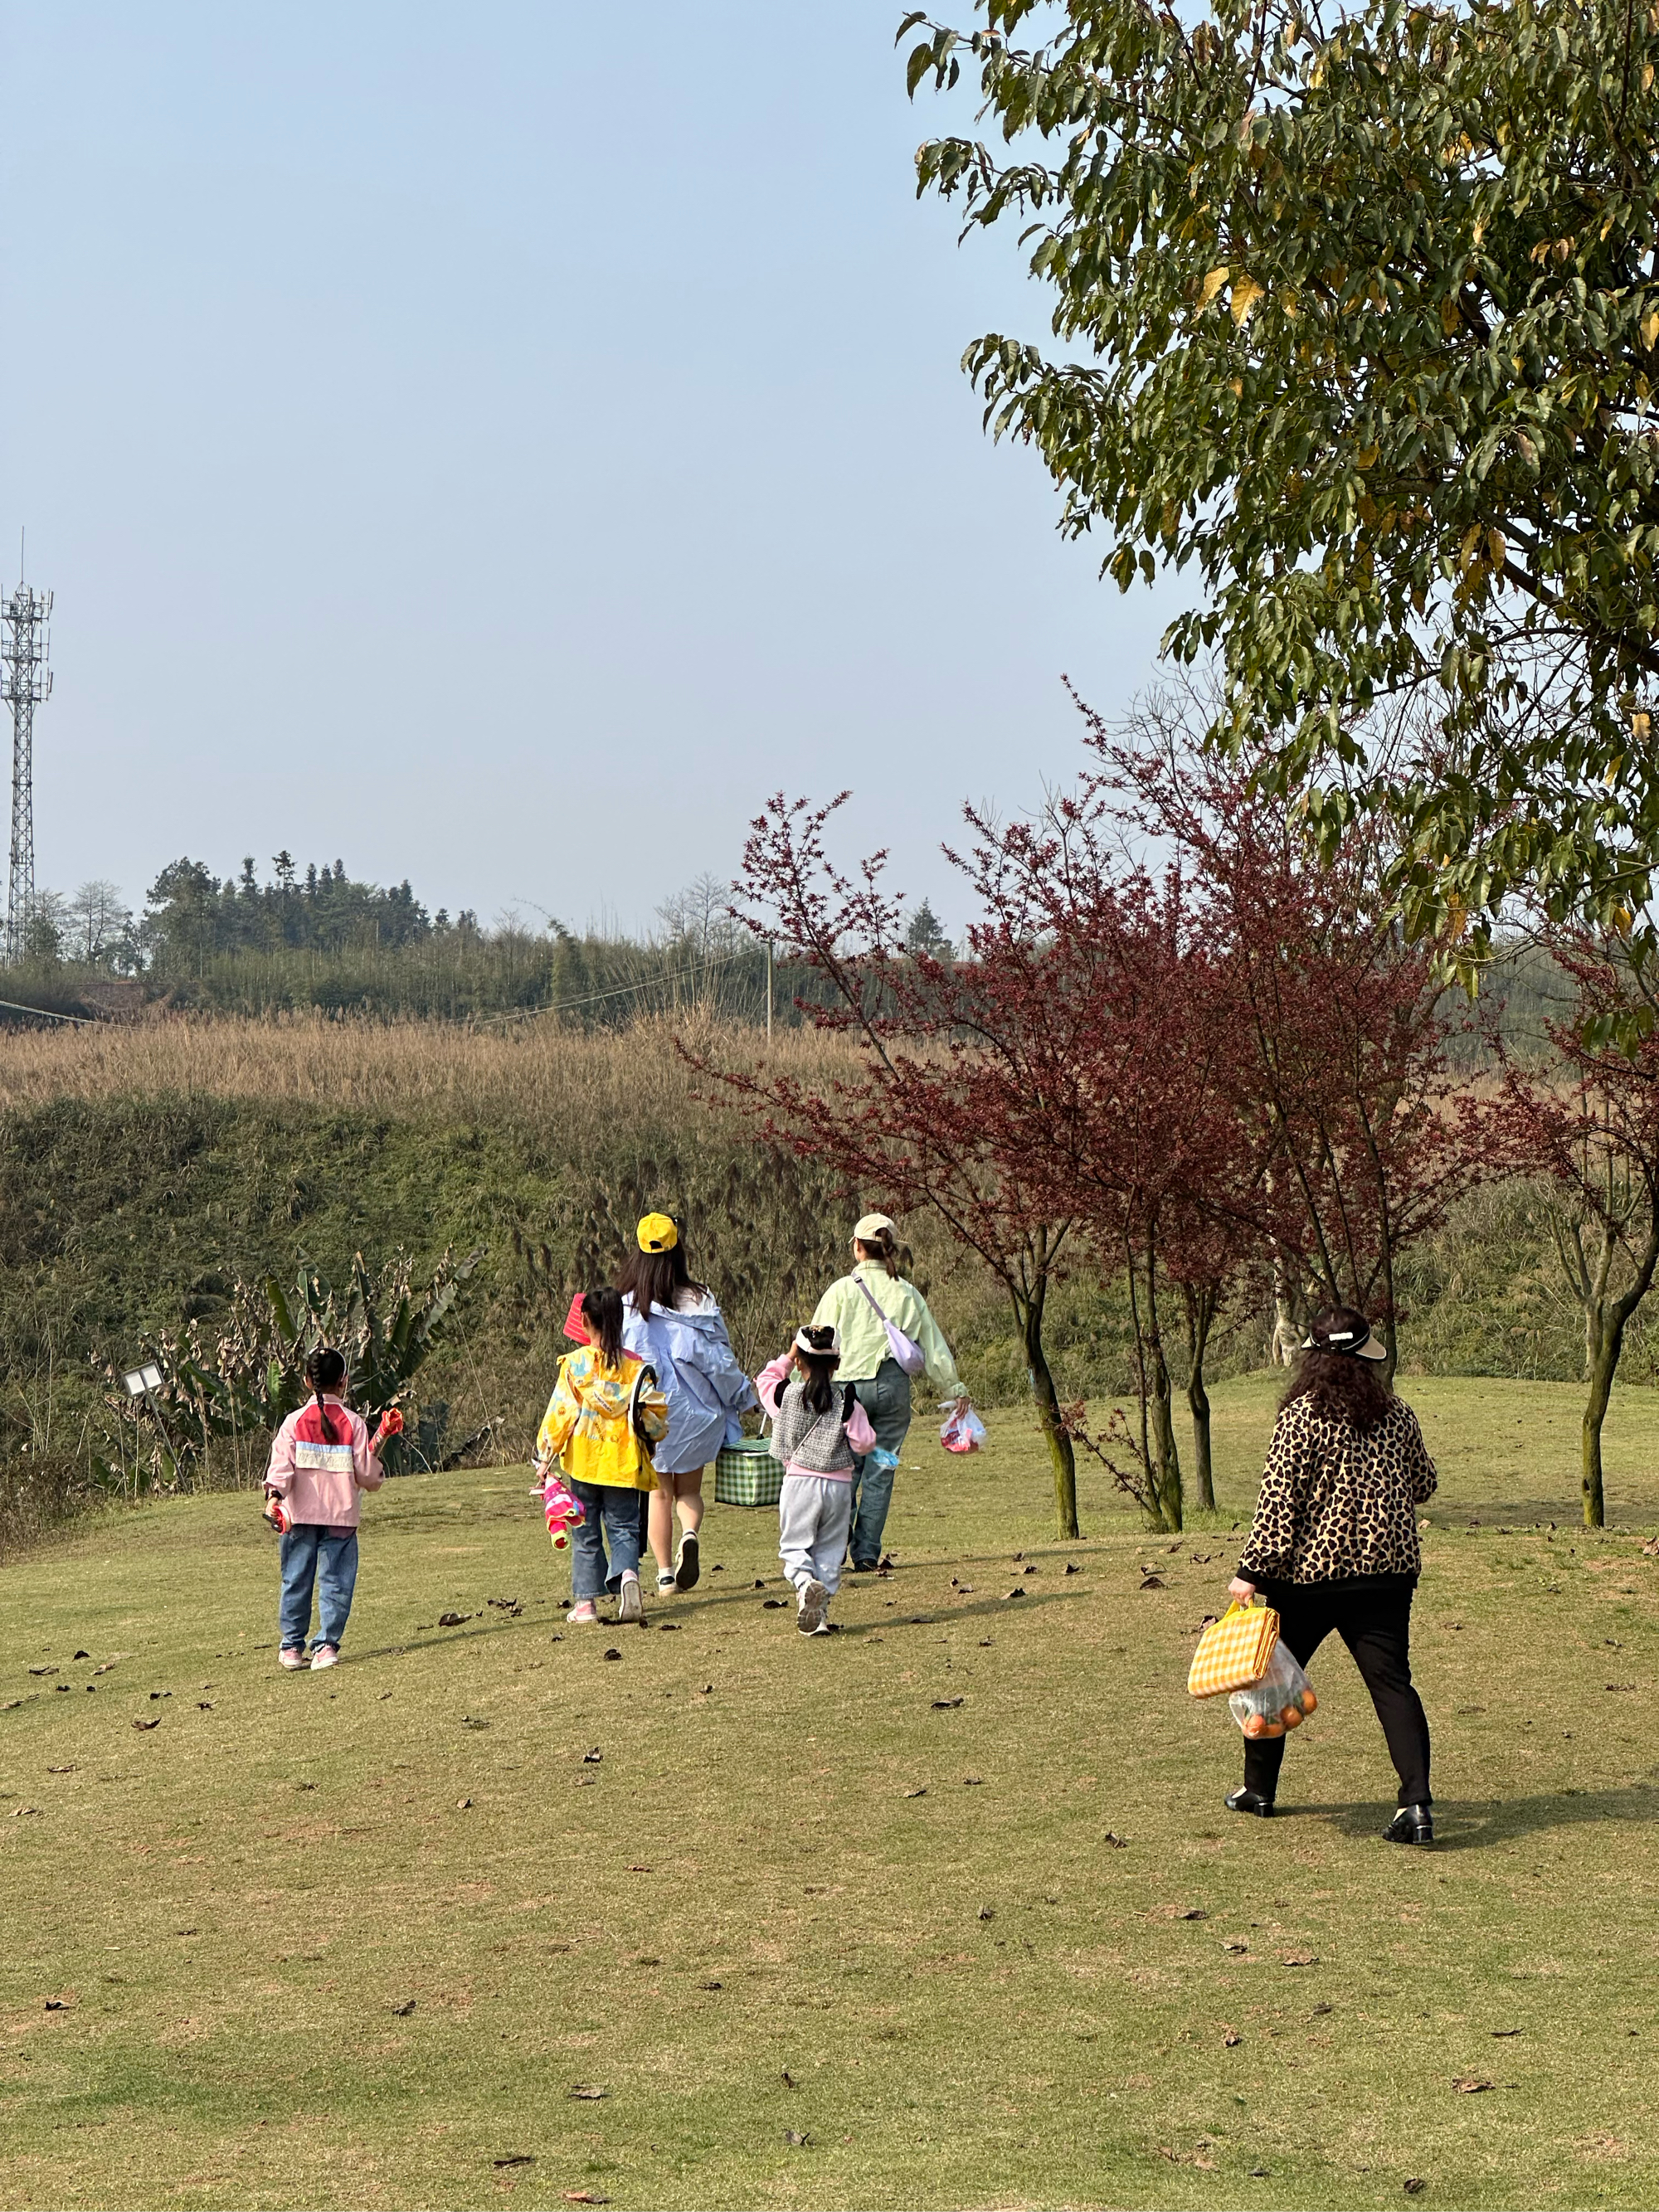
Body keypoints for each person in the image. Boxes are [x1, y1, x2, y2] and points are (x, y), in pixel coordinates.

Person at [1225, 1305, 1439, 1844]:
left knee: (1269, 1678)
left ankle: (1259, 1790)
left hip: (1310, 1578)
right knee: (1393, 1685)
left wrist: (1250, 1572)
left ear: (1314, 1359)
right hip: (1387, 1574)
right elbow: (1425, 1482)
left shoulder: (1300, 1415)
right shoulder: (1397, 1413)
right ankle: (1415, 1806)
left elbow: (1279, 1501)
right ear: (1365, 1359)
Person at [810, 1212, 966, 1572]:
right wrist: (954, 1388)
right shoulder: (907, 1293)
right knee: (883, 1468)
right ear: (889, 1249)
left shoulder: (840, 1291)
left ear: (857, 1247)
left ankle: (833, 1551)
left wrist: (803, 1391)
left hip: (848, 1393)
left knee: (844, 1472)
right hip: (894, 1390)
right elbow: (933, 1346)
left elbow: (815, 1343)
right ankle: (866, 1554)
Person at [619, 1211, 757, 1595]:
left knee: (658, 1493)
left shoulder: (626, 1308)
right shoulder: (699, 1300)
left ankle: (664, 1576)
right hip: (698, 1417)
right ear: (678, 1251)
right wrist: (745, 1396)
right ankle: (690, 1535)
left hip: (651, 1416)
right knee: (689, 1492)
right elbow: (719, 1362)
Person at [535, 1286, 669, 1626]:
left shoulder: (575, 1365)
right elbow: (655, 1420)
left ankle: (585, 1606)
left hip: (584, 1463)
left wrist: (544, 1456)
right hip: (623, 1464)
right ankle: (628, 1579)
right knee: (624, 1528)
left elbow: (560, 1415)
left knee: (584, 1531)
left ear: (584, 1321)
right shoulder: (636, 1368)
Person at [262, 1347, 387, 1672]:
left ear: (307, 1381)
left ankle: (291, 1647)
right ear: (343, 1382)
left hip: (299, 1516)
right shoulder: (354, 1424)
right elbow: (366, 1474)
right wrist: (377, 1474)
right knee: (336, 1583)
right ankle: (326, 1645)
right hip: (341, 1518)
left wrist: (274, 1497)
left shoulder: (293, 1423)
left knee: (296, 1580)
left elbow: (281, 1467)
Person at [756, 1324, 877, 1635]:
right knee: (830, 1549)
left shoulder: (786, 1394)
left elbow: (766, 1381)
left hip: (799, 1484)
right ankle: (818, 1616)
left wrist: (788, 1355)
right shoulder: (847, 1402)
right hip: (838, 1487)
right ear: (837, 1364)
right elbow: (864, 1443)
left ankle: (804, 1583)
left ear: (799, 1362)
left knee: (795, 1546)